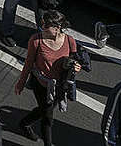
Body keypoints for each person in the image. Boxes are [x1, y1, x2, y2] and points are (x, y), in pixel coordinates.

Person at [15, 10, 82, 145]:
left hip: (59, 85)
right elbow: (28, 64)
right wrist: (21, 83)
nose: (42, 28)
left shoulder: (70, 41)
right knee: (48, 117)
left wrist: (77, 67)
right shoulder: (36, 41)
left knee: (45, 109)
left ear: (57, 28)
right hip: (40, 84)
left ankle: (24, 123)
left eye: (46, 26)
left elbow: (75, 61)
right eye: (42, 24)